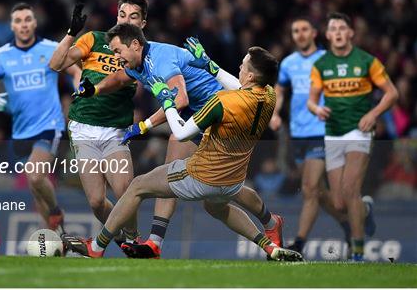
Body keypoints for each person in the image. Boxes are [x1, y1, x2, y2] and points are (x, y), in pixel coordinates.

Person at [61, 45, 303, 262]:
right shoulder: (268, 95)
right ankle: (269, 246)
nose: (239, 66)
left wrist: (167, 102)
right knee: (216, 207)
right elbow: (240, 87)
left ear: (250, 75)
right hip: (233, 180)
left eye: (243, 64)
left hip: (202, 175)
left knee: (137, 186)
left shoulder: (221, 101)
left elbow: (182, 132)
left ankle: (97, 245)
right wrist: (211, 66)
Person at [49, 0, 149, 245]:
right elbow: (55, 64)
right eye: (122, 14)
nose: (126, 20)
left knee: (125, 190)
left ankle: (133, 239)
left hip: (116, 130)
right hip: (83, 127)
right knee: (95, 201)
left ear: (143, 24)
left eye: (133, 16)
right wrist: (72, 32)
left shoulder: (143, 53)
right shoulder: (94, 39)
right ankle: (122, 238)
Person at [0, 3, 81, 232]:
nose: (23, 25)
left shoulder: (51, 48)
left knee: (35, 175)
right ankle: (55, 237)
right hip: (21, 130)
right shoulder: (1, 55)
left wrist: (80, 90)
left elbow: (75, 71)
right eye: (18, 20)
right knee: (36, 190)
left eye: (27, 20)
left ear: (34, 23)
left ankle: (56, 211)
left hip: (50, 125)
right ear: (12, 25)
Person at [307, 12, 398, 261]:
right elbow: (312, 101)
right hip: (333, 132)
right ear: (327, 35)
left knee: (350, 190)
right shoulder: (321, 66)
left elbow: (392, 93)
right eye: (332, 28)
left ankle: (357, 252)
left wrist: (374, 113)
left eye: (341, 27)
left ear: (350, 33)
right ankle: (366, 209)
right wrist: (317, 109)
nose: (337, 32)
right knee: (339, 203)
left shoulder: (367, 61)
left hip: (360, 129)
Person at [269, 17, 353, 255]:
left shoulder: (328, 59)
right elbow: (281, 89)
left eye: (304, 29)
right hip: (298, 133)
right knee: (318, 192)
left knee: (309, 186)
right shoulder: (288, 63)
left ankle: (299, 243)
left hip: (322, 130)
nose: (300, 34)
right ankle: (348, 221)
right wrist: (275, 113)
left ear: (314, 33)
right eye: (296, 30)